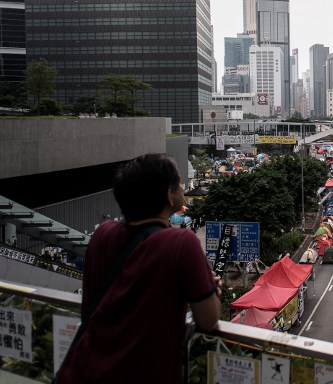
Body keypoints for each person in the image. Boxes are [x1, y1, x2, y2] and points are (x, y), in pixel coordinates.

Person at [55, 153, 221, 384]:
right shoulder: (182, 243)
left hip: (85, 371)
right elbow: (209, 319)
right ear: (168, 194)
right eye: (180, 183)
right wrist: (209, 286)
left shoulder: (102, 235)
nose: (183, 187)